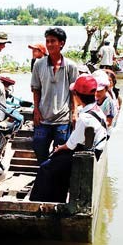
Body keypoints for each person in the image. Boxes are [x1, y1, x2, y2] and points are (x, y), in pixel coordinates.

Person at [29, 75, 107, 203]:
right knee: (57, 161)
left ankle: (37, 202)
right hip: (90, 154)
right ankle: (58, 197)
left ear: (76, 95)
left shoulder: (85, 118)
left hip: (83, 158)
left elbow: (69, 146)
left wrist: (59, 149)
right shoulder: (97, 111)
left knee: (45, 167)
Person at [31, 27, 78, 164]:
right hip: (43, 117)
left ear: (61, 43)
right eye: (47, 41)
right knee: (39, 148)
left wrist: (74, 113)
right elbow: (36, 89)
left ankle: (56, 181)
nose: (50, 44)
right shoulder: (39, 65)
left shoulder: (71, 66)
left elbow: (73, 91)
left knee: (60, 154)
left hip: (62, 119)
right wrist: (36, 110)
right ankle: (43, 175)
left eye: (53, 41)